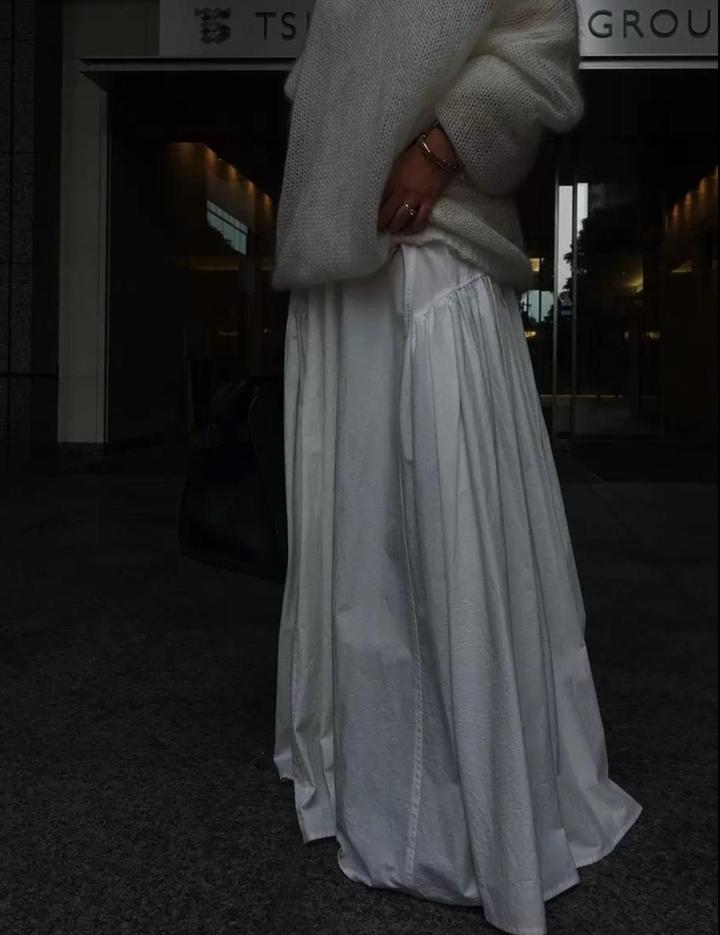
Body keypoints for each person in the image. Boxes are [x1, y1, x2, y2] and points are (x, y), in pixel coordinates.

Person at [271, 2, 642, 934]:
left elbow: (538, 41)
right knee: (363, 543)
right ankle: (371, 779)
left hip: (433, 244)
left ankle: (470, 813)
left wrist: (441, 146)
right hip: (340, 258)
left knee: (452, 525)